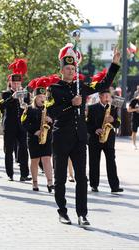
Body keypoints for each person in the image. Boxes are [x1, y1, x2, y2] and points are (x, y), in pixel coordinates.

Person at [46, 44, 120, 226]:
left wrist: (114, 65)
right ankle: (62, 211)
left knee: (82, 178)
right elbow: (51, 113)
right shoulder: (53, 89)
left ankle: (82, 214)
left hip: (79, 139)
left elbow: (104, 84)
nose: (71, 71)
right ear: (62, 70)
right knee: (61, 178)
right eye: (68, 69)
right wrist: (71, 103)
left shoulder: (82, 87)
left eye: (73, 68)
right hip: (61, 138)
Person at [0, 59, 31, 182]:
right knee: (9, 149)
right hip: (10, 125)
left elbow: (28, 107)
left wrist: (25, 101)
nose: (16, 84)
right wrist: (12, 97)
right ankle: (10, 173)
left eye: (18, 82)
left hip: (21, 125)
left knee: (23, 149)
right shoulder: (6, 93)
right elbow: (2, 107)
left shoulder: (25, 93)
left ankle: (24, 174)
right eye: (14, 82)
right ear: (10, 83)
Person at [21, 77, 54, 192]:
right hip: (33, 138)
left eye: (43, 97)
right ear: (35, 98)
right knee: (35, 160)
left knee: (46, 159)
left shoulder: (48, 108)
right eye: (40, 97)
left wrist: (51, 120)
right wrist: (34, 131)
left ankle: (50, 182)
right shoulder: (29, 109)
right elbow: (24, 123)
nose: (42, 99)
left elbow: (55, 123)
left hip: (46, 137)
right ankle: (35, 183)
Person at [87, 89, 123, 194]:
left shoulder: (113, 108)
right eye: (105, 96)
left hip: (109, 139)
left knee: (111, 162)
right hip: (95, 139)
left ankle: (114, 186)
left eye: (108, 96)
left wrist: (113, 121)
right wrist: (95, 129)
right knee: (94, 162)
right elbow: (87, 124)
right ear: (100, 96)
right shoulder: (92, 108)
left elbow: (118, 123)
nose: (107, 98)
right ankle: (94, 185)